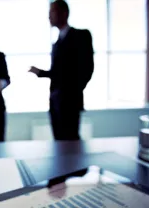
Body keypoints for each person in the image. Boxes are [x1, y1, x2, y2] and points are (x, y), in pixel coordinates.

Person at [29, 0, 94, 140]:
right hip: (55, 101)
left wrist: (72, 92)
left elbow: (87, 68)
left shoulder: (81, 36)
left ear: (64, 13)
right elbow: (58, 73)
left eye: (52, 12)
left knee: (71, 141)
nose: (49, 17)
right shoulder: (56, 43)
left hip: (70, 101)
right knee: (59, 141)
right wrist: (40, 73)